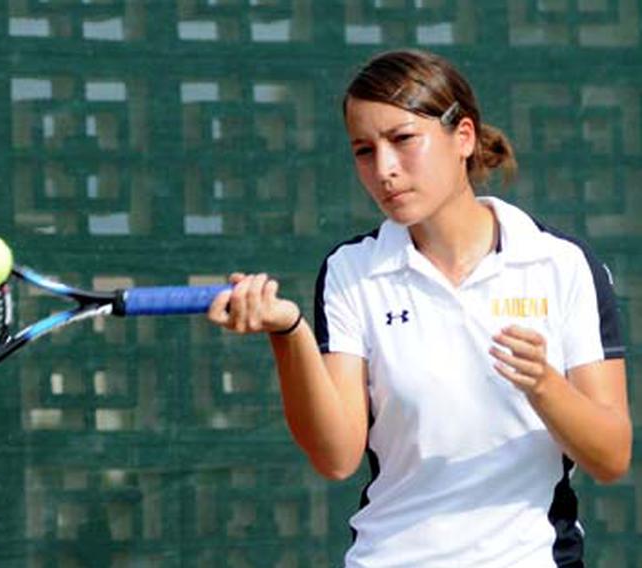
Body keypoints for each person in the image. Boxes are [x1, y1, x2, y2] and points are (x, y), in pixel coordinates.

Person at [206, 49, 631, 567]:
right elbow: (337, 457)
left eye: (403, 140)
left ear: (464, 138)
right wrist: (289, 333)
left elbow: (612, 457)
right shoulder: (350, 272)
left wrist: (544, 385)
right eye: (364, 150)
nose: (384, 169)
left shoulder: (562, 265)